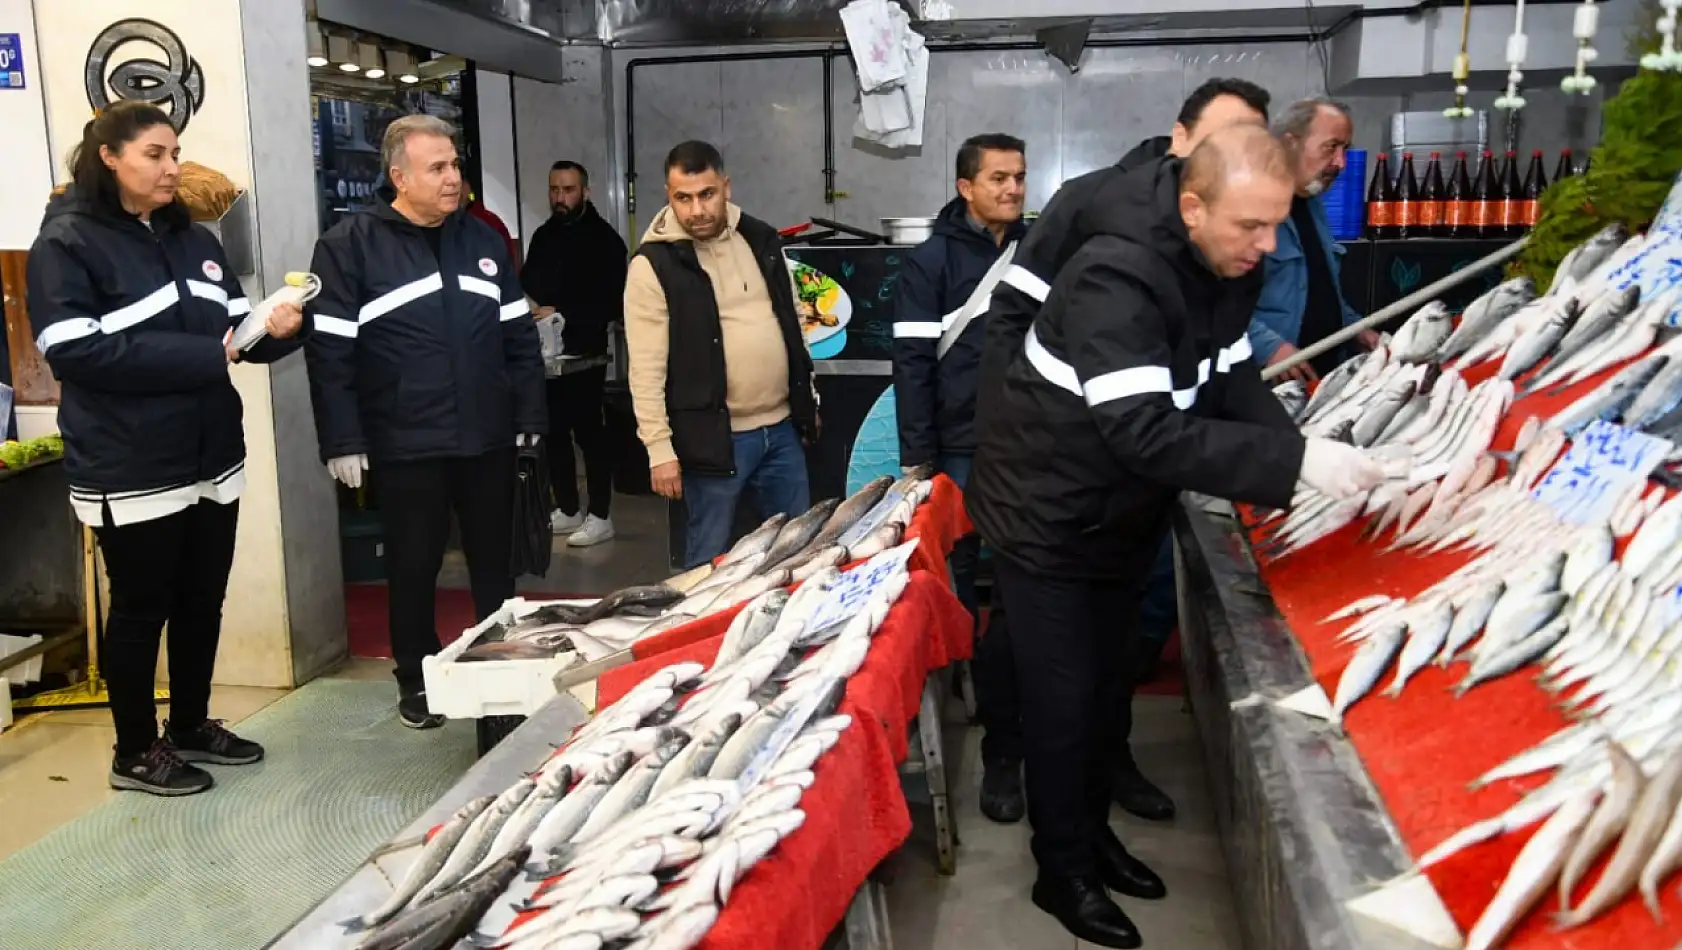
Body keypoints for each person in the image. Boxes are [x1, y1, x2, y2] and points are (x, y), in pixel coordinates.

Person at [967, 126, 1385, 948]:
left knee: (1106, 690)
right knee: (1064, 705)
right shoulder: (1116, 277)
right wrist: (1293, 460)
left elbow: (1229, 374)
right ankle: (1063, 873)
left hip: (1121, 510)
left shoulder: (1219, 263)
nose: (1266, 247)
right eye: (1249, 229)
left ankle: (1092, 840)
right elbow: (1145, 433)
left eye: (1275, 226)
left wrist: (1292, 461)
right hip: (1049, 516)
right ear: (1192, 207)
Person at [977, 77, 1271, 826]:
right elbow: (1010, 319)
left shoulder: (1228, 236)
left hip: (1129, 488)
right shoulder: (1094, 209)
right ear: (1181, 141)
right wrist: (1025, 429)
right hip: (1051, 475)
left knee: (1106, 665)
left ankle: (1106, 774)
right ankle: (1014, 762)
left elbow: (1219, 360)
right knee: (1040, 659)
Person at [27, 102, 306, 796]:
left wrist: (278, 327)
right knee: (141, 606)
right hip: (132, 461)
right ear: (110, 158)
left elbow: (234, 332)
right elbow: (72, 351)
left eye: (175, 152)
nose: (172, 167)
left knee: (201, 599)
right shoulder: (67, 243)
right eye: (154, 154)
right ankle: (133, 751)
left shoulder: (194, 240)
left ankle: (187, 725)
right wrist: (200, 357)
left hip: (210, 453)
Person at [304, 115, 546, 729]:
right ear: (398, 177)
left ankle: (499, 666)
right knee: (414, 564)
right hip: (406, 441)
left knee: (496, 563)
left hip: (487, 436)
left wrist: (529, 415)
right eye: (437, 168)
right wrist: (343, 437)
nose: (452, 178)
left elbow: (519, 337)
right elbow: (329, 351)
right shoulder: (348, 247)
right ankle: (415, 676)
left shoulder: (484, 241)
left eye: (455, 165)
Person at [893, 133, 1029, 824]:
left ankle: (1005, 722)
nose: (1012, 189)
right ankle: (959, 691)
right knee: (952, 581)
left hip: (1026, 450)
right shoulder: (931, 262)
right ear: (964, 186)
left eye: (1019, 178)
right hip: (959, 448)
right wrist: (920, 462)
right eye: (999, 178)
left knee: (1013, 587)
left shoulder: (1036, 254)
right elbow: (912, 366)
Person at [624, 141, 818, 569]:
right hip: (711, 441)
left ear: (726, 187)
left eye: (706, 194)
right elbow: (646, 368)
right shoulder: (653, 265)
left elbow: (791, 324)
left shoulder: (761, 238)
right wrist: (659, 450)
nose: (696, 210)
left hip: (782, 432)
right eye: (683, 198)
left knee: (795, 558)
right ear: (668, 195)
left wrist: (808, 398)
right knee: (707, 568)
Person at [521, 160, 629, 547]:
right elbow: (528, 283)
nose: (560, 198)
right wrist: (534, 307)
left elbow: (615, 301)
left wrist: (564, 312)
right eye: (554, 190)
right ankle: (567, 508)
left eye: (568, 190)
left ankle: (600, 515)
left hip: (587, 354)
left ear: (585, 191)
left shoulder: (605, 240)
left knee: (590, 435)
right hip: (548, 356)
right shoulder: (543, 236)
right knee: (553, 434)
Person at [1251, 97, 1380, 383]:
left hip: (1322, 376)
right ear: (1290, 143)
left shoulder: (1312, 203)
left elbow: (1319, 287)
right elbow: (1210, 303)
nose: (1340, 163)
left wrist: (1355, 328)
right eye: (1331, 147)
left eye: (1345, 149)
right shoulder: (1246, 205)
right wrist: (1268, 347)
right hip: (1268, 383)